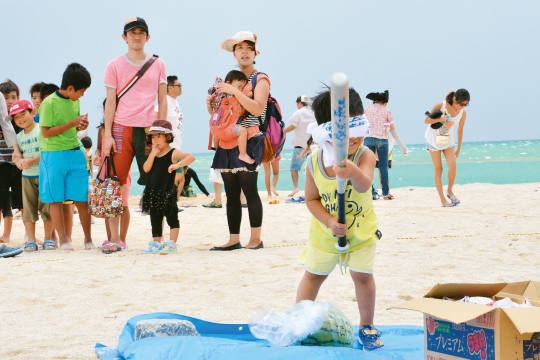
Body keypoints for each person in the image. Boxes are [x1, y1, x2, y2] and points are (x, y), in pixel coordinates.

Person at [296, 87, 384, 351]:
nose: (354, 140)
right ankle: (300, 320)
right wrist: (329, 222)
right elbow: (311, 200)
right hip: (325, 234)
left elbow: (363, 185)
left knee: (363, 277)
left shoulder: (365, 154)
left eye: (359, 133)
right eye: (347, 135)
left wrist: (352, 169)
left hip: (361, 233)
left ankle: (366, 324)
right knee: (312, 276)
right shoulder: (313, 162)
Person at [101, 17, 167, 253]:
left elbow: (162, 99)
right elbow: (110, 102)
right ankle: (115, 239)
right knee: (114, 184)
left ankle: (158, 239)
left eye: (141, 32)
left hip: (149, 130)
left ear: (147, 37)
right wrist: (107, 135)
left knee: (155, 182)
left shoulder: (158, 64)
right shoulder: (114, 65)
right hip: (120, 128)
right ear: (124, 37)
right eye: (132, 32)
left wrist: (162, 131)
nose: (137, 36)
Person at [208, 31, 267, 250]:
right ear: (234, 53)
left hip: (248, 139)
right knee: (231, 193)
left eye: (248, 48)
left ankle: (255, 239)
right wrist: (212, 102)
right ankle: (233, 239)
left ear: (254, 52)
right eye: (239, 48)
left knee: (250, 190)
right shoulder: (228, 79)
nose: (244, 52)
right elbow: (221, 112)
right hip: (226, 141)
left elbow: (258, 108)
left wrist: (234, 91)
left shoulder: (260, 79)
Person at [38, 62, 94, 250]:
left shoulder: (75, 100)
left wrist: (81, 125)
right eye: (81, 91)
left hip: (74, 152)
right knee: (55, 199)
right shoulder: (48, 103)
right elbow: (45, 132)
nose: (82, 95)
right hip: (53, 156)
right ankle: (64, 241)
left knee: (82, 199)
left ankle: (88, 240)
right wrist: (72, 123)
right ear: (70, 88)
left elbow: (74, 124)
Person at [140, 120, 194, 254]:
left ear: (168, 137)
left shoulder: (173, 152)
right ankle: (156, 242)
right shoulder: (154, 154)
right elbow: (146, 169)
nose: (155, 140)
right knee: (155, 217)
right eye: (153, 137)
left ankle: (172, 244)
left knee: (171, 216)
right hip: (153, 190)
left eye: (159, 136)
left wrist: (177, 165)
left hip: (167, 190)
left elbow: (190, 157)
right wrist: (152, 154)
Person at [10, 100, 55, 250]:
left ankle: (48, 239)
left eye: (23, 114)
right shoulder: (19, 137)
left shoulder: (42, 130)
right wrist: (19, 162)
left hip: (44, 175)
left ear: (33, 113)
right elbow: (16, 155)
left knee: (47, 208)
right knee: (28, 210)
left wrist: (32, 161)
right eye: (16, 117)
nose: (20, 119)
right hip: (27, 177)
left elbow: (48, 151)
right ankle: (31, 240)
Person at [425, 89, 470, 207]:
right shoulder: (441, 105)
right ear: (455, 99)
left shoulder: (462, 113)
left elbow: (460, 130)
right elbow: (426, 120)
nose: (463, 107)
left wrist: (459, 148)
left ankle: (449, 190)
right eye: (461, 104)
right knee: (439, 169)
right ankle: (443, 200)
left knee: (453, 165)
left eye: (466, 104)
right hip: (434, 140)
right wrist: (440, 119)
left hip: (447, 140)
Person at [363, 90, 408, 200]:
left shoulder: (368, 108)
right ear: (385, 102)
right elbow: (393, 131)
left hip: (368, 139)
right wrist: (403, 147)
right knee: (383, 167)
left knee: (369, 167)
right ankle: (386, 193)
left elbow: (363, 124)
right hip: (382, 140)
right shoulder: (387, 111)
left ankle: (370, 192)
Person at [208, 70, 253, 164]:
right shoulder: (232, 97)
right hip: (227, 129)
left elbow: (212, 114)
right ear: (228, 84)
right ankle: (243, 154)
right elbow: (243, 101)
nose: (240, 90)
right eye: (238, 87)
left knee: (218, 130)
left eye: (242, 88)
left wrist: (208, 105)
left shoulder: (218, 97)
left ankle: (217, 151)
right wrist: (248, 95)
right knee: (243, 131)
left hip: (215, 130)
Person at [0, 79, 23, 243]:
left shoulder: (20, 120)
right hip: (2, 164)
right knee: (3, 203)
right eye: (5, 98)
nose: (9, 101)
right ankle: (5, 235)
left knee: (22, 202)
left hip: (19, 164)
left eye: (13, 97)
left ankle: (27, 234)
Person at [284, 95, 316, 197]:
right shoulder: (313, 112)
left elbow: (293, 126)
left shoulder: (298, 113)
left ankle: (296, 188)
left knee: (294, 167)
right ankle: (314, 188)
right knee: (313, 168)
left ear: (300, 103)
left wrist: (282, 132)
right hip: (313, 145)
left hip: (300, 144)